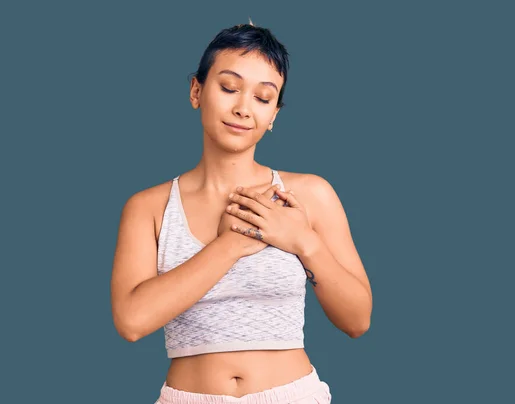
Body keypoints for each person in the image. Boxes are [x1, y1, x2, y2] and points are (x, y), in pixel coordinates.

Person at [111, 21, 372, 404]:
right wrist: (228, 246)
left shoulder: (309, 195)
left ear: (274, 116)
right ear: (196, 91)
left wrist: (303, 241)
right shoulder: (148, 207)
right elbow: (131, 322)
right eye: (229, 88)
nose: (242, 108)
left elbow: (357, 321)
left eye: (263, 98)